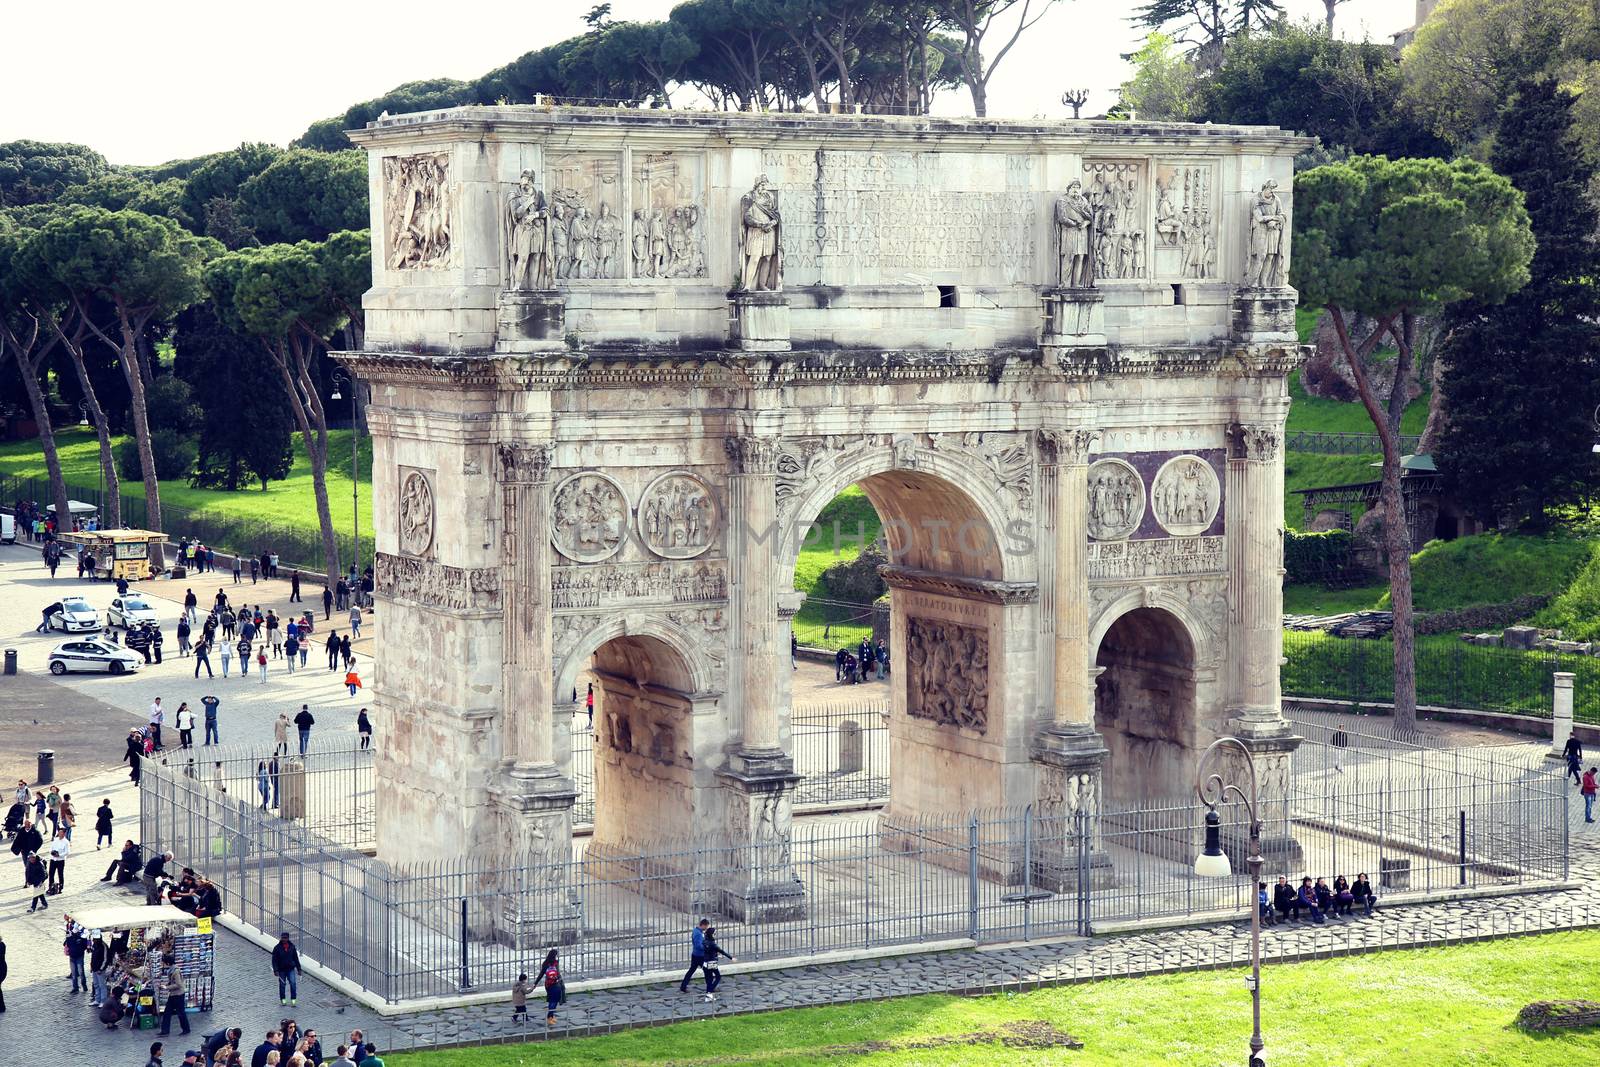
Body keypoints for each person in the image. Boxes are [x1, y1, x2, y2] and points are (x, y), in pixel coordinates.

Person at [158, 952, 190, 1036]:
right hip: (173, 995)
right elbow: (172, 982)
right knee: (167, 1012)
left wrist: (166, 987)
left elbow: (178, 984)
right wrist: (166, 984)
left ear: (168, 963)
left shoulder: (175, 971)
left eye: (164, 963)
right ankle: (165, 1030)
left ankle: (186, 1029)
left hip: (178, 995)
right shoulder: (171, 970)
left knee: (180, 1013)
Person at [700, 925, 733, 1001]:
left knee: (709, 979)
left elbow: (708, 951)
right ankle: (709, 992)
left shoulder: (704, 941)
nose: (715, 935)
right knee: (718, 977)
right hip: (712, 963)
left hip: (705, 963)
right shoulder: (712, 944)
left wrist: (714, 953)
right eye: (714, 934)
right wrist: (731, 958)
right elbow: (721, 951)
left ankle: (708, 996)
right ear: (711, 934)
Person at [679, 918, 710, 992]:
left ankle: (683, 986)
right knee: (707, 971)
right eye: (706, 927)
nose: (706, 929)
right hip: (700, 956)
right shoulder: (698, 934)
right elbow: (698, 945)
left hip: (695, 954)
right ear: (703, 925)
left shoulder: (695, 930)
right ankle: (710, 986)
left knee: (691, 970)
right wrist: (707, 948)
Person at [272, 933, 301, 1006]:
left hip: (290, 969)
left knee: (293, 984)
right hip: (281, 970)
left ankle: (293, 1000)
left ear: (288, 939)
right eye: (283, 938)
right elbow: (274, 960)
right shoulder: (277, 948)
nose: (284, 939)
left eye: (285, 938)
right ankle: (283, 999)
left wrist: (299, 969)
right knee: (282, 985)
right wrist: (276, 970)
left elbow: (296, 958)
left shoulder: (292, 947)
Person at [539, 950, 563, 1027]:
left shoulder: (545, 963)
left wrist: (535, 984)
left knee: (553, 1001)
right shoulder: (556, 963)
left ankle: (551, 1016)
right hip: (554, 984)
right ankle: (549, 1017)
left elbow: (541, 974)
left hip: (548, 985)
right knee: (553, 1001)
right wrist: (560, 980)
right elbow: (558, 973)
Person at [65, 923, 89, 992]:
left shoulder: (82, 937)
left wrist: (79, 950)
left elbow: (85, 946)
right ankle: (75, 987)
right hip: (72, 957)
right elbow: (67, 944)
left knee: (80, 972)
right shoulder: (70, 936)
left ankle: (84, 986)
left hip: (79, 956)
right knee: (74, 973)